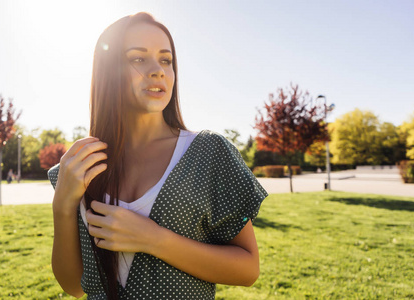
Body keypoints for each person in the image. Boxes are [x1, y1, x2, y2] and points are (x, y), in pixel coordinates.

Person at [48, 12, 268, 299]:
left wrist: (154, 240)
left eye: (166, 60)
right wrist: (62, 204)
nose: (158, 70)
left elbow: (248, 269)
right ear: (107, 70)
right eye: (138, 59)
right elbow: (74, 286)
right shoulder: (79, 164)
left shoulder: (209, 152)